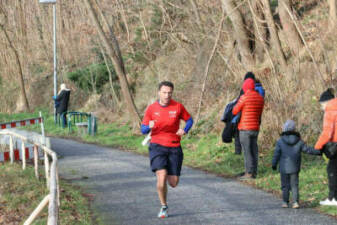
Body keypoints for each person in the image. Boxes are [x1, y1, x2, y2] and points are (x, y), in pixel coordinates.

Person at [141, 81, 193, 218]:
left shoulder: (178, 107)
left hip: (174, 146)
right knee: (161, 176)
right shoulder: (152, 109)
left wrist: (185, 130)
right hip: (157, 146)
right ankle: (163, 206)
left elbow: (190, 120)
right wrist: (149, 126)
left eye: (169, 92)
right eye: (164, 92)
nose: (167, 95)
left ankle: (167, 180)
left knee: (173, 182)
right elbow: (143, 129)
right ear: (159, 92)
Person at [272, 120, 321, 209]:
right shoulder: (299, 141)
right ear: (294, 129)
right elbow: (308, 150)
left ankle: (285, 202)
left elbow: (276, 154)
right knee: (294, 185)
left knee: (285, 185)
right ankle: (295, 203)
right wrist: (319, 152)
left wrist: (274, 164)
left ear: (284, 129)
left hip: (284, 168)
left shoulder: (280, 141)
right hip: (295, 167)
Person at [233, 78, 264, 179]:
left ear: (245, 87)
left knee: (247, 151)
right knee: (254, 149)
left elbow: (235, 111)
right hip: (255, 127)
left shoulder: (244, 97)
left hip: (245, 128)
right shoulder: (260, 98)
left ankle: (249, 173)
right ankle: (254, 171)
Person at [314, 88, 337, 206]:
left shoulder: (330, 109)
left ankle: (333, 199)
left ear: (326, 102)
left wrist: (317, 146)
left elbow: (327, 133)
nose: (321, 107)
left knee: (332, 170)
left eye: (321, 104)